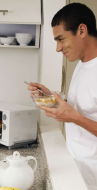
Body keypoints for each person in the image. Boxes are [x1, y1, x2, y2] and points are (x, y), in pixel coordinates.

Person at [28, 3, 97, 190]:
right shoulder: (83, 64)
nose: (58, 48)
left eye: (61, 39)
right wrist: (50, 97)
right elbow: (84, 108)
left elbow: (77, 116)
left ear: (82, 30)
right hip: (77, 169)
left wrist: (73, 117)